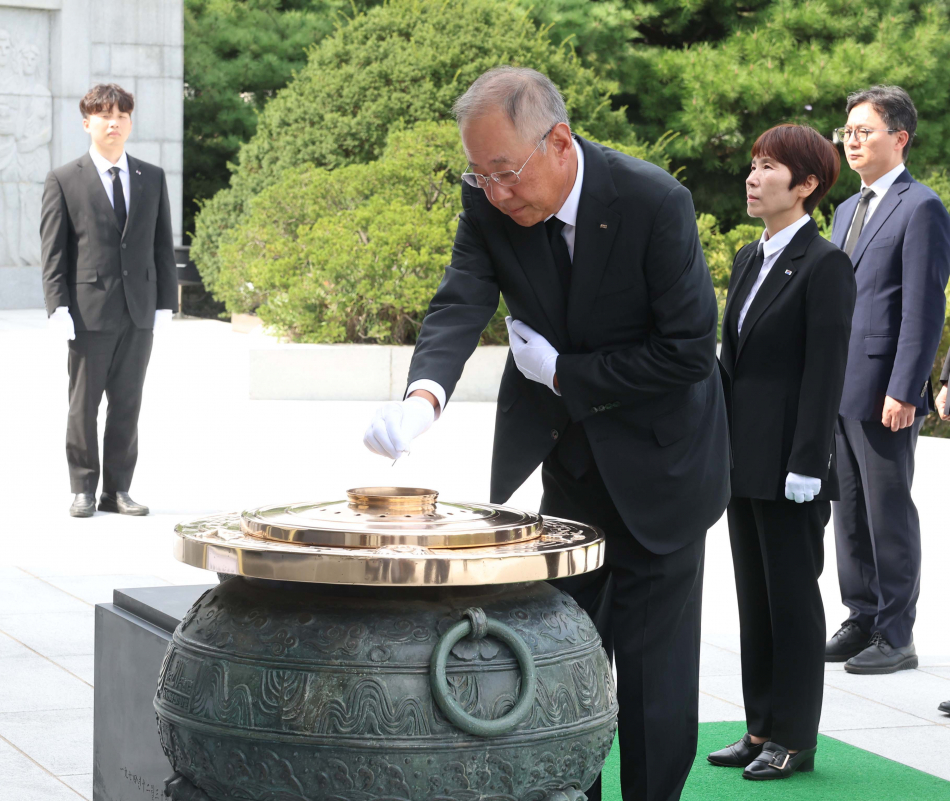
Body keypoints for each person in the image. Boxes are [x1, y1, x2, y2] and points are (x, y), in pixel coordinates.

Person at [363, 66, 730, 801]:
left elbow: (690, 349)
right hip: (572, 467)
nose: (495, 192)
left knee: (656, 682)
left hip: (664, 469)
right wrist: (423, 398)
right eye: (479, 174)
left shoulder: (653, 201)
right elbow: (462, 297)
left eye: (505, 172)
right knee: (563, 662)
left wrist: (566, 373)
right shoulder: (489, 198)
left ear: (559, 141)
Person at [706, 124, 854, 780]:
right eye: (753, 164)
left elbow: (825, 374)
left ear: (807, 185)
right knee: (754, 598)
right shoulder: (748, 256)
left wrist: (807, 463)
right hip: (743, 461)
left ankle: (794, 736)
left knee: (793, 603)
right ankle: (759, 724)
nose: (753, 176)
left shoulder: (825, 265)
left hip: (792, 467)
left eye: (769, 167)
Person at [825, 86, 950, 674]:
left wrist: (906, 388)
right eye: (847, 131)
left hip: (885, 390)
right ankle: (862, 616)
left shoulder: (921, 206)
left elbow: (925, 308)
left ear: (899, 138)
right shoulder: (845, 210)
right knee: (848, 510)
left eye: (864, 131)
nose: (852, 141)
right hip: (839, 387)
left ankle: (898, 635)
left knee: (888, 510)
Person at [40, 84, 178, 518]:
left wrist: (164, 304)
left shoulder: (151, 177)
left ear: (130, 122)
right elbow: (54, 250)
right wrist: (57, 307)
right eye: (104, 115)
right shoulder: (64, 179)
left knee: (127, 402)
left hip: (138, 311)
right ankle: (83, 487)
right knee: (84, 403)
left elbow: (162, 245)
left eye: (121, 115)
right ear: (87, 123)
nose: (113, 122)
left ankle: (118, 490)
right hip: (87, 312)